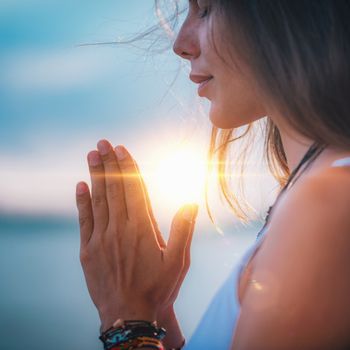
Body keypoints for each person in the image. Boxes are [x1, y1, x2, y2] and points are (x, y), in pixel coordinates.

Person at [75, 0, 350, 349]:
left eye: (205, 9)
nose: (180, 44)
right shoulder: (317, 198)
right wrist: (156, 316)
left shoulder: (329, 209)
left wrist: (126, 321)